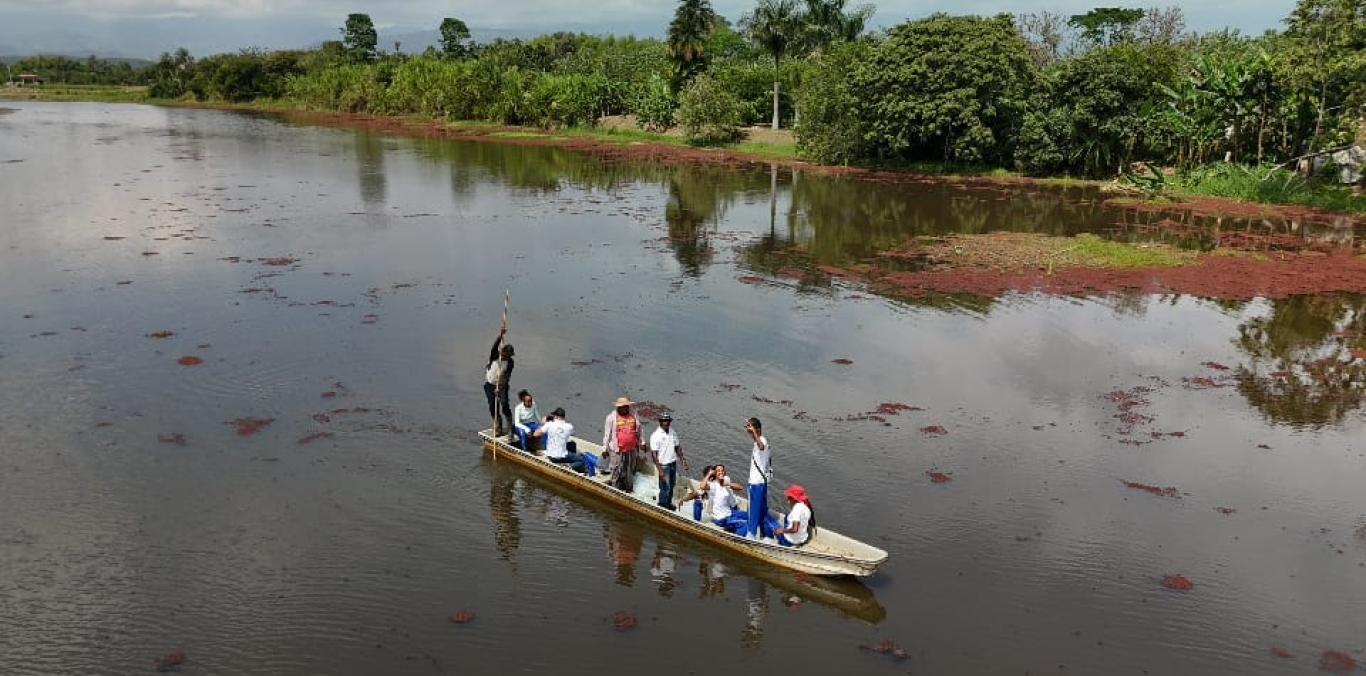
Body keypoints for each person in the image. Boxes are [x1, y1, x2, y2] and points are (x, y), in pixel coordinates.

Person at [682, 464, 746, 533]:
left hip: (732, 509)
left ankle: (732, 525)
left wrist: (727, 484)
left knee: (748, 517)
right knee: (698, 500)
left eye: (714, 474)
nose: (714, 476)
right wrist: (684, 499)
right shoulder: (711, 485)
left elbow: (740, 487)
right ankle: (697, 524)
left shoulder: (726, 479)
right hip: (722, 516)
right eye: (712, 475)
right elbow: (702, 487)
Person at [602, 397, 643, 492]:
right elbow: (607, 434)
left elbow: (639, 430)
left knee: (630, 468)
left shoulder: (634, 415)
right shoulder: (611, 418)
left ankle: (628, 487)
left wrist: (642, 442)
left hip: (632, 448)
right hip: (617, 449)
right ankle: (614, 487)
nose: (625, 408)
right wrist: (604, 449)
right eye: (623, 407)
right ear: (618, 408)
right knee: (616, 468)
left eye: (626, 406)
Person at [649, 413, 689, 510]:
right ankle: (662, 505)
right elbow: (654, 455)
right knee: (664, 487)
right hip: (663, 465)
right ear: (660, 422)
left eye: (668, 421)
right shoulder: (656, 435)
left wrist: (683, 460)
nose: (666, 423)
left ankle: (668, 503)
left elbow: (677, 447)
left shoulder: (672, 432)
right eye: (664, 421)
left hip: (672, 463)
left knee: (672, 484)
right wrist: (660, 470)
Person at [743, 417, 771, 540]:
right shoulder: (759, 441)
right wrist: (754, 433)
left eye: (750, 427)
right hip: (761, 482)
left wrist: (754, 432)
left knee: (753, 509)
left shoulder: (762, 441)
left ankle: (752, 533)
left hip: (756, 482)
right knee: (761, 508)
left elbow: (761, 446)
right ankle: (763, 532)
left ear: (757, 429)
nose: (748, 430)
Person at [483, 326, 514, 437]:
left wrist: (499, 388)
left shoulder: (510, 362)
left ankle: (510, 428)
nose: (507, 358)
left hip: (502, 385)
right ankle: (498, 428)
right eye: (507, 355)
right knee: (493, 406)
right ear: (503, 352)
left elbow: (506, 377)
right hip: (489, 384)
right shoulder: (495, 355)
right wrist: (501, 335)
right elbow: (494, 346)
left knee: (505, 404)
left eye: (510, 356)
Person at [533, 407, 586, 473]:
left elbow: (535, 434)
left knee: (569, 444)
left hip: (551, 456)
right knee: (580, 460)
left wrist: (544, 424)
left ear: (556, 416)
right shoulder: (569, 426)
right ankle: (570, 466)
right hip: (562, 456)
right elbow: (572, 433)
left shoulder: (549, 424)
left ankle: (567, 467)